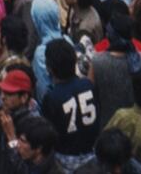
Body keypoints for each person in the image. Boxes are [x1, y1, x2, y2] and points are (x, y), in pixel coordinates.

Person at [42, 39, 99, 169]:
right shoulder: (88, 85)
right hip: (92, 154)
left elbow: (49, 134)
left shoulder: (51, 97)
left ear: (49, 68)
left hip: (65, 159)